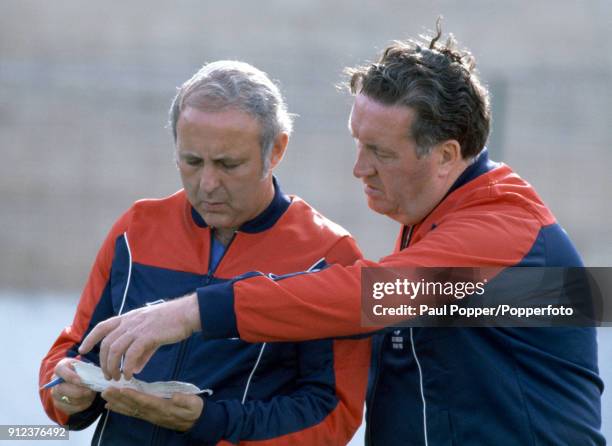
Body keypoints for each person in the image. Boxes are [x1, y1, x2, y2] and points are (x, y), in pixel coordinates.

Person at [79, 25, 604, 445]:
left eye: (380, 152)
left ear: (445, 155)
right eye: (359, 143)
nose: (359, 168)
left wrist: (190, 312)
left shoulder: (503, 230)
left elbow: (366, 296)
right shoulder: (437, 225)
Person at [39, 60, 371, 445]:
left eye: (229, 164)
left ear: (277, 149)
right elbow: (75, 350)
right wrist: (65, 394)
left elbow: (330, 416)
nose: (208, 184)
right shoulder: (136, 229)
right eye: (191, 162)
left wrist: (210, 421)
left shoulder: (327, 254)